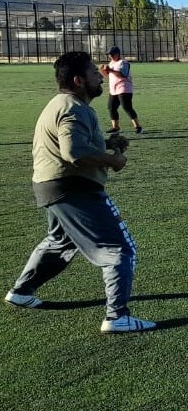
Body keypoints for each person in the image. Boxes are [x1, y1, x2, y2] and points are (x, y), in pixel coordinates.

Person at [4, 51, 156, 333]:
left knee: (60, 242)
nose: (100, 76)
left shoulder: (62, 103)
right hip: (74, 188)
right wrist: (114, 160)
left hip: (51, 186)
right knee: (120, 250)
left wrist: (107, 142)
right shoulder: (74, 108)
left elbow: (76, 141)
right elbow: (72, 150)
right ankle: (116, 317)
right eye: (93, 73)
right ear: (78, 80)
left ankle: (21, 291)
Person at [99, 46, 143, 134]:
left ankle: (138, 127)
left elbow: (123, 75)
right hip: (114, 89)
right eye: (109, 54)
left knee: (126, 107)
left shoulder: (123, 62)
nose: (110, 56)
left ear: (117, 54)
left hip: (124, 88)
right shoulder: (111, 63)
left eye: (111, 54)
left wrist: (110, 70)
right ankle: (116, 127)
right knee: (111, 107)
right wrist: (103, 71)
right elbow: (109, 77)